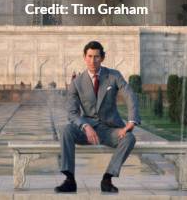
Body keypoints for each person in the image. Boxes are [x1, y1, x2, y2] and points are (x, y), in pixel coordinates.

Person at [55, 40, 140, 194]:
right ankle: (69, 179)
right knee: (66, 130)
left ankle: (107, 178)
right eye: (89, 56)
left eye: (96, 57)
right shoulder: (77, 82)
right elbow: (72, 113)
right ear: (84, 57)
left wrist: (131, 121)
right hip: (87, 131)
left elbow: (130, 95)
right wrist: (85, 126)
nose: (93, 61)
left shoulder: (113, 76)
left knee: (129, 138)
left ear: (102, 58)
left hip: (110, 130)